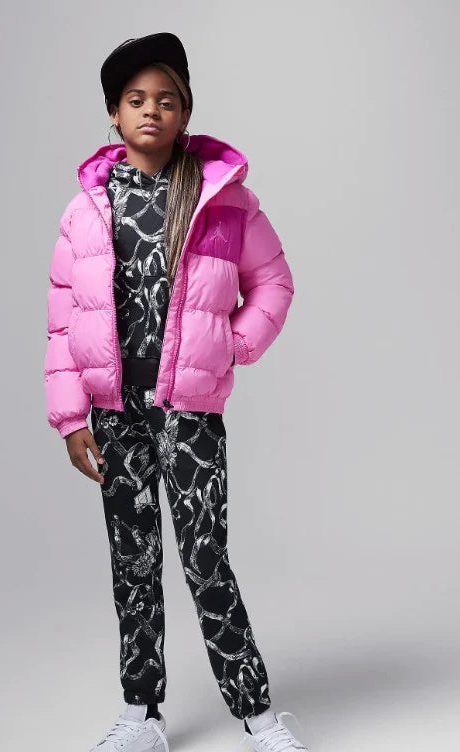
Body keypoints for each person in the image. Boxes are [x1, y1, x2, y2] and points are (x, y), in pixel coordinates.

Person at [44, 32, 309, 752]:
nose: (151, 111)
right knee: (132, 563)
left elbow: (273, 283)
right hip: (114, 413)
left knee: (204, 558)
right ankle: (141, 716)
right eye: (136, 100)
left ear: (185, 111)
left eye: (166, 100)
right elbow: (63, 315)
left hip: (188, 412)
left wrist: (232, 346)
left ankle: (259, 717)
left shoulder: (222, 200)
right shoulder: (87, 210)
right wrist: (70, 418)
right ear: (114, 113)